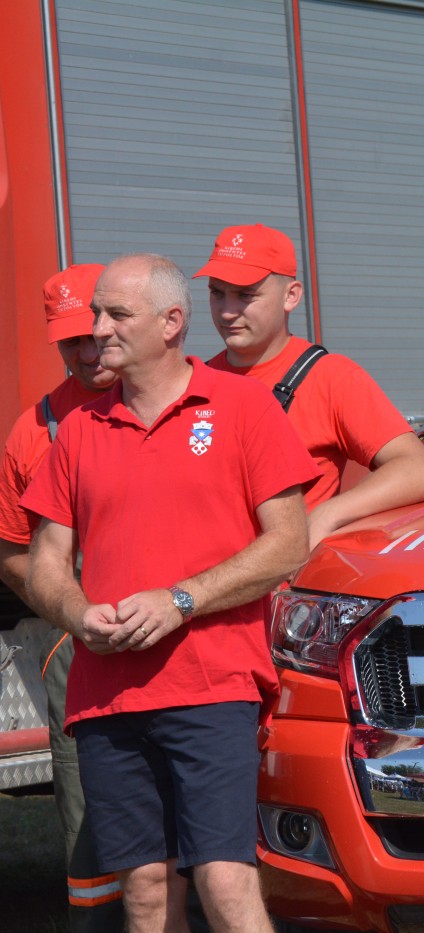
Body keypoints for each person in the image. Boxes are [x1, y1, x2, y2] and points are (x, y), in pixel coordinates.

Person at [21, 253, 319, 933]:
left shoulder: (242, 406)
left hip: (211, 686)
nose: (99, 328)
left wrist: (180, 600)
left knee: (224, 877)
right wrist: (77, 613)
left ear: (171, 322)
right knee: (146, 891)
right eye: (96, 313)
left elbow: (287, 544)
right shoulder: (81, 430)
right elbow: (45, 563)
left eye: (116, 314)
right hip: (107, 697)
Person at [0, 263, 125, 932]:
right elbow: (10, 550)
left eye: (95, 333)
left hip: (181, 625)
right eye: (71, 340)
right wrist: (67, 614)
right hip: (76, 640)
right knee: (86, 794)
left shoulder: (173, 403)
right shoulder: (34, 431)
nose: (88, 351)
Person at [195, 223, 424, 546]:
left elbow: (419, 470)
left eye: (245, 295)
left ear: (291, 296)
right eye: (217, 293)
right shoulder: (195, 382)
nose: (227, 312)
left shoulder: (331, 377)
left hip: (286, 576)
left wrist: (327, 515)